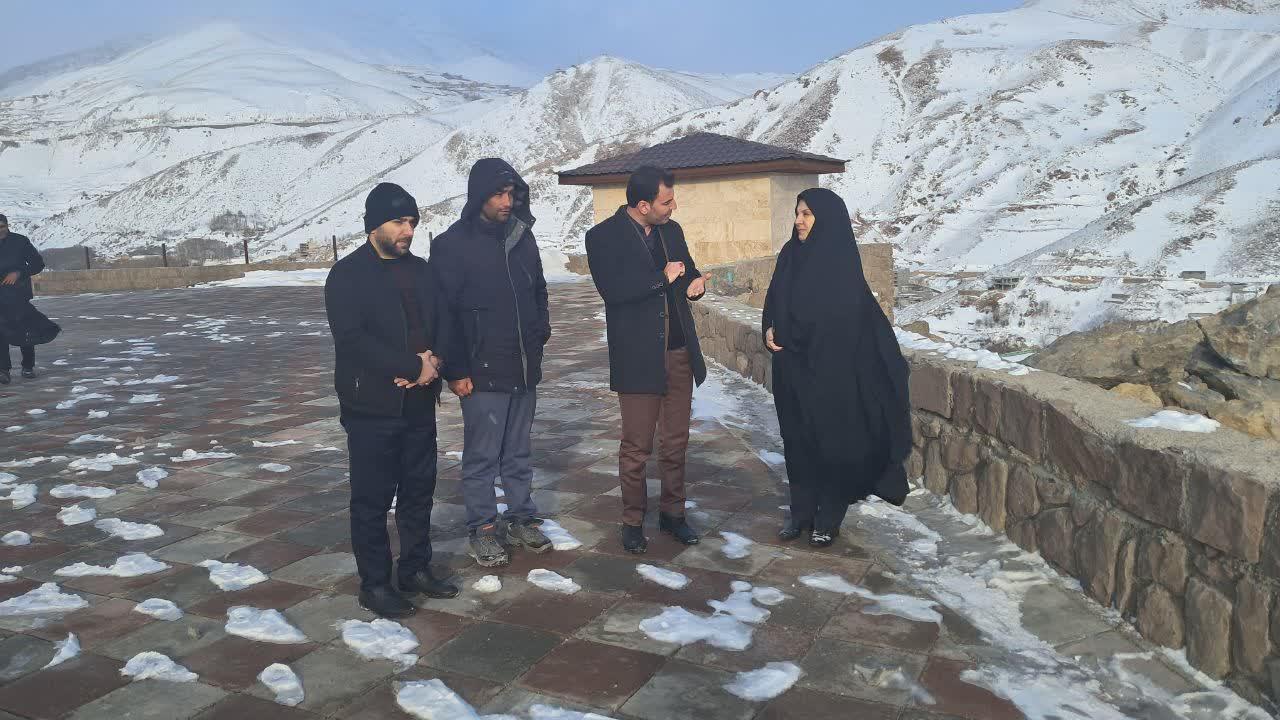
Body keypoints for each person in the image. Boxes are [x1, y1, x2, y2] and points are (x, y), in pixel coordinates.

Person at [324, 182, 459, 618]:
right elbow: (352, 340)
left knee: (419, 492)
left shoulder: (422, 271)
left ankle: (414, 569)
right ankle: (376, 584)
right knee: (372, 500)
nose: (408, 231)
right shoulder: (347, 275)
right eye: (399, 222)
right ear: (374, 225)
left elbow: (444, 323)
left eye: (413, 222)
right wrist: (409, 366)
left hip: (419, 403)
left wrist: (435, 362)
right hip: (371, 407)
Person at [761, 188, 911, 548]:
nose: (798, 221)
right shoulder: (790, 255)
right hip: (792, 370)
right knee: (797, 442)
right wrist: (769, 328)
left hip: (830, 372)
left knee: (830, 443)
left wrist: (800, 334)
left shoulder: (838, 262)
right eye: (798, 213)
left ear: (825, 219)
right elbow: (774, 299)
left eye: (807, 214)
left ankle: (828, 518)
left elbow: (845, 320)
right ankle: (800, 514)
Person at [431, 158, 553, 568]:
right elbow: (443, 314)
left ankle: (521, 519)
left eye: (512, 193)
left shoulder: (522, 237)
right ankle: (482, 528)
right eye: (498, 194)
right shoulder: (452, 245)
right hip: (480, 372)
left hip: (522, 366)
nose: (507, 201)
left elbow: (538, 291)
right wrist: (455, 370)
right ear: (479, 196)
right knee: (482, 456)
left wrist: (539, 333)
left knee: (518, 452)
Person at [585, 166, 710, 554]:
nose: (673, 207)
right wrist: (662, 278)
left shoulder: (672, 231)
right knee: (637, 447)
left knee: (676, 442)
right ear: (643, 205)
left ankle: (673, 514)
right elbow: (614, 291)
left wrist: (694, 283)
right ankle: (632, 521)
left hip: (678, 353)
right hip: (638, 358)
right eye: (666, 201)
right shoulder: (602, 237)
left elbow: (686, 269)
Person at [0, 214, 46, 384]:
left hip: (18, 294)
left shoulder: (20, 241)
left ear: (7, 225)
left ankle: (28, 366)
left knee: (24, 330)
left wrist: (19, 273)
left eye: (1, 226)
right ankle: (3, 370)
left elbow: (38, 264)